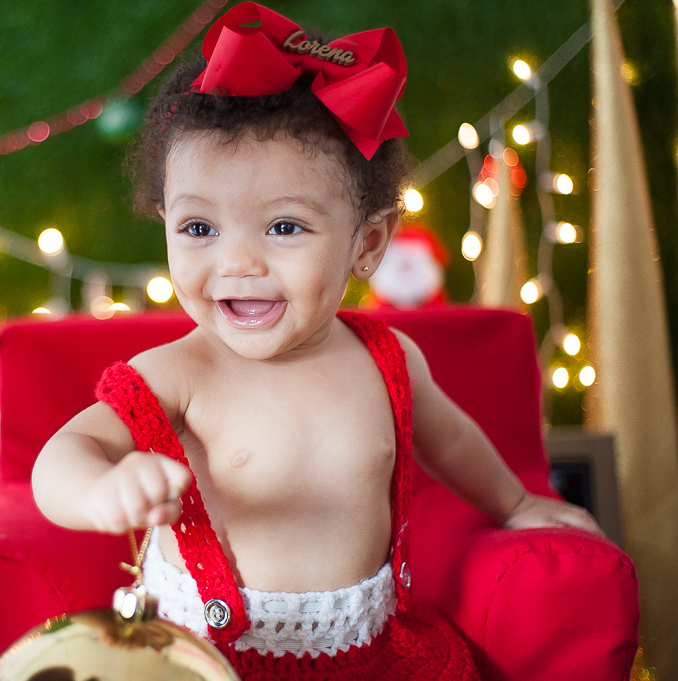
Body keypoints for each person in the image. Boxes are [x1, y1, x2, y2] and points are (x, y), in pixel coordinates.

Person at [33, 3, 603, 678]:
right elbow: (63, 454)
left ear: (367, 244)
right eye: (198, 228)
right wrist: (101, 487)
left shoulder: (386, 359)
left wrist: (516, 502)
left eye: (283, 228)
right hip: (207, 661)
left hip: (371, 652)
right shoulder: (180, 372)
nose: (236, 262)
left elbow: (449, 440)